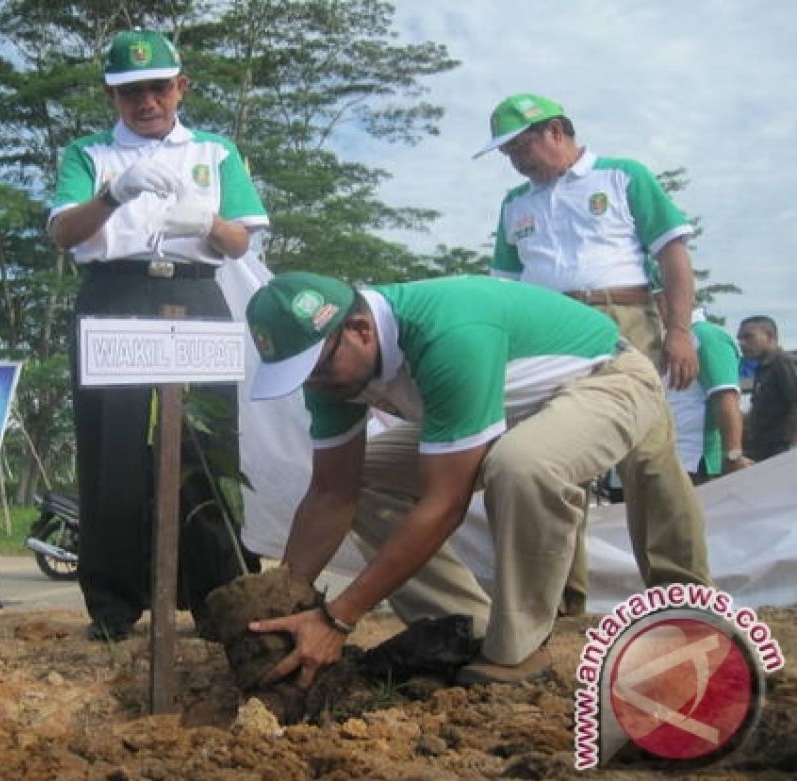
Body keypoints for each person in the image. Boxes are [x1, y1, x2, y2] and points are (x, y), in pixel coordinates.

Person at [243, 271, 708, 687]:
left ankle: (517, 648)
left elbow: (444, 504)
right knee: (364, 477)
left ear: (360, 330)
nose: (315, 386)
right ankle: (463, 627)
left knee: (522, 465)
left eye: (317, 370)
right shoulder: (333, 372)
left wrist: (338, 619)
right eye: (301, 376)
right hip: (506, 406)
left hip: (605, 377)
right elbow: (331, 491)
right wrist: (283, 603)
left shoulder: (447, 334)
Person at [48, 28, 269, 640]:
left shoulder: (216, 151)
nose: (146, 101)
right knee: (110, 449)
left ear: (181, 87)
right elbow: (65, 234)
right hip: (114, 294)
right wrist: (114, 194)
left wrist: (207, 220)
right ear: (112, 97)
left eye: (158, 88)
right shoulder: (88, 154)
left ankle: (216, 597)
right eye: (130, 92)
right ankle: (115, 607)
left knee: (206, 445)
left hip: (197, 291)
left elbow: (240, 241)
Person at [475, 93, 702, 613]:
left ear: (556, 130)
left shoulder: (624, 176)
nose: (515, 160)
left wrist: (681, 330)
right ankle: (557, 599)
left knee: (648, 456)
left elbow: (673, 254)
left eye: (520, 145)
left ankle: (680, 593)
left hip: (622, 320)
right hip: (546, 332)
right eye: (507, 152)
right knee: (553, 458)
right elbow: (505, 285)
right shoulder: (516, 203)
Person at [662, 308, 749, 481]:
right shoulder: (656, 338)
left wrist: (733, 455)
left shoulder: (705, 336)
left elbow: (726, 398)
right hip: (652, 461)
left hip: (693, 462)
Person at [737, 315, 797, 462]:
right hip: (763, 449)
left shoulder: (783, 362)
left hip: (781, 450)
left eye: (748, 337)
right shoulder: (763, 367)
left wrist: (793, 446)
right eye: (740, 339)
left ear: (770, 336)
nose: (742, 343)